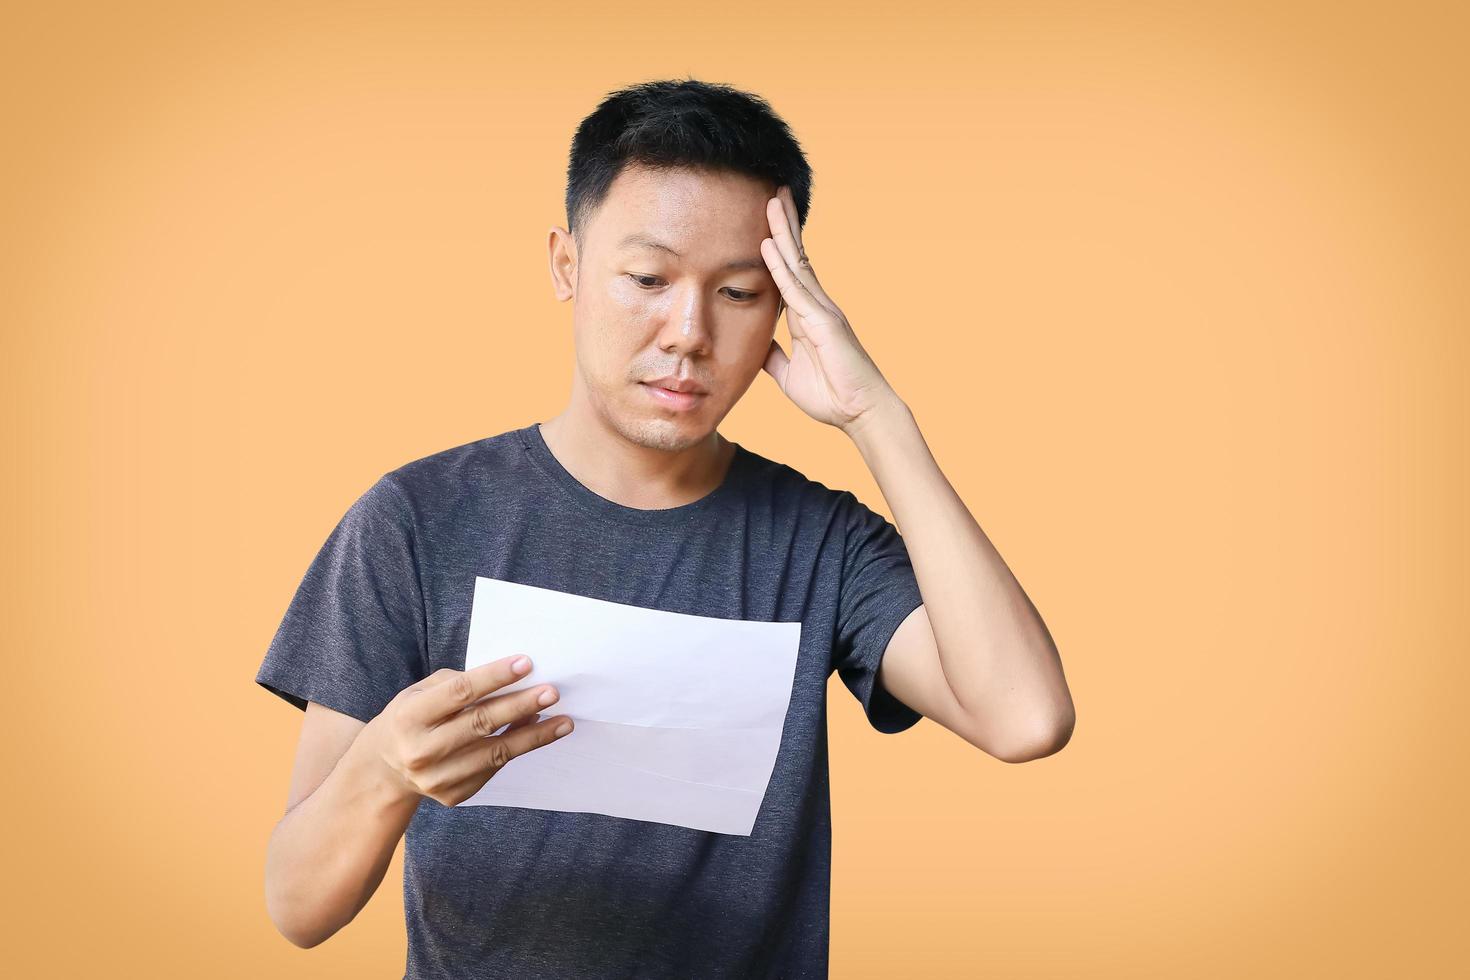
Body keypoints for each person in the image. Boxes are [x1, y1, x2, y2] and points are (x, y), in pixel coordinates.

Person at [256, 77, 1074, 979]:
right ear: (566, 264)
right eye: (647, 279)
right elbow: (299, 907)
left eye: (738, 292)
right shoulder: (415, 521)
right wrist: (383, 770)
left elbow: (1025, 719)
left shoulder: (822, 546)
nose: (688, 332)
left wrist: (875, 415)